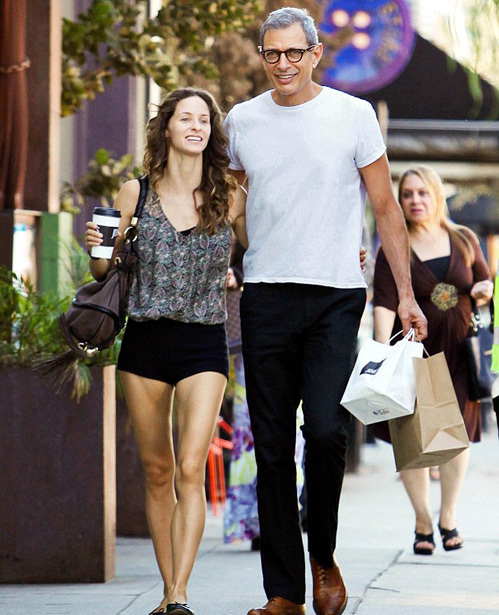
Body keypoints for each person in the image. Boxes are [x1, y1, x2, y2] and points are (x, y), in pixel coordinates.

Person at [224, 8, 427, 615]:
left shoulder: (352, 115)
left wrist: (406, 294)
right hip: (266, 293)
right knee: (271, 448)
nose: (283, 64)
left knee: (326, 431)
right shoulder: (242, 121)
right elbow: (231, 207)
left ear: (315, 54)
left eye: (294, 52)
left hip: (336, 295)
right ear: (263, 56)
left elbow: (386, 208)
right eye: (272, 53)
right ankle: (284, 591)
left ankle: (324, 556)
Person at [84, 87, 247, 615]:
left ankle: (179, 593)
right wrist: (98, 246)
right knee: (157, 471)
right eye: (186, 118)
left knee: (190, 467)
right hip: (146, 340)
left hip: (204, 340)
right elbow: (101, 270)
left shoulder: (231, 195)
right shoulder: (134, 193)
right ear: (167, 128)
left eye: (204, 120)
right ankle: (166, 588)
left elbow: (265, 250)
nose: (196, 126)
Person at [373, 165, 493, 556]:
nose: (415, 201)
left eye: (422, 193)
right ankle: (423, 520)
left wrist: (483, 289)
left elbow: (485, 284)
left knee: (459, 434)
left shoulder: (464, 238)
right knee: (415, 438)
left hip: (461, 350)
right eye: (407, 194)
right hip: (416, 351)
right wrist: (382, 356)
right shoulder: (394, 246)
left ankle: (448, 516)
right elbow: (384, 302)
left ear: (437, 196)